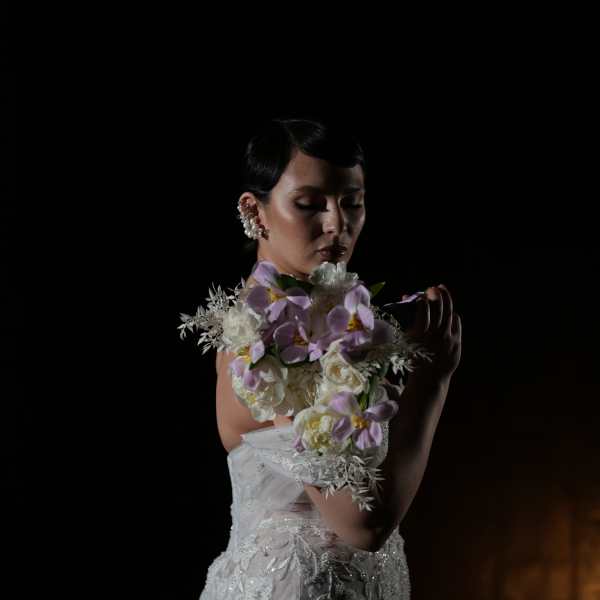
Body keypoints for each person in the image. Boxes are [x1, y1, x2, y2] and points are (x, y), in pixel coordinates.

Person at [199, 117, 462, 599]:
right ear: (255, 211)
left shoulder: (325, 317)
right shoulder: (267, 336)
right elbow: (363, 524)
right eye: (309, 204)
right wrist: (431, 383)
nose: (337, 224)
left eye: (352, 202)